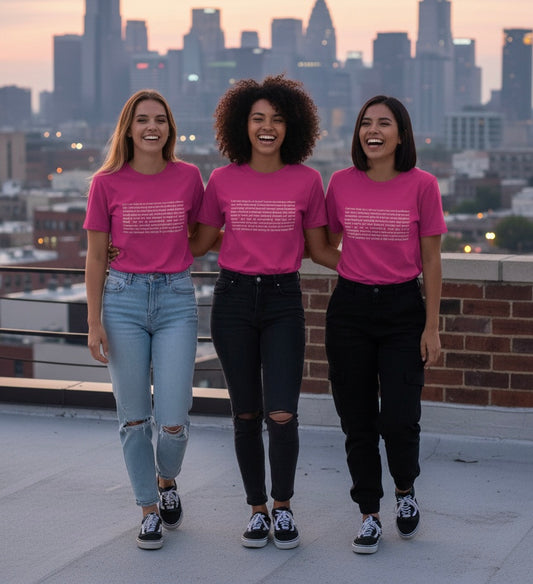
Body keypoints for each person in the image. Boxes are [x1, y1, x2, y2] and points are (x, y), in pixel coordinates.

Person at [188, 75, 339, 550]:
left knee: (282, 412)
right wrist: (121, 245)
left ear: (292, 126)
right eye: (258, 118)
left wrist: (394, 259)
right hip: (231, 300)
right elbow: (197, 245)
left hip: (282, 302)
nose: (267, 126)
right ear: (242, 125)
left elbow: (320, 249)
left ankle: (284, 508)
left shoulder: (308, 180)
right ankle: (256, 510)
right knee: (246, 413)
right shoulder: (223, 179)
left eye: (276, 118)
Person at [324, 95, 447, 554]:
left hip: (402, 311)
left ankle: (405, 491)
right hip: (350, 311)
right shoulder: (339, 183)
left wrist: (431, 326)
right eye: (365, 124)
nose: (372, 130)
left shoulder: (423, 185)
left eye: (384, 123)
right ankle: (369, 514)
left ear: (401, 134)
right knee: (356, 420)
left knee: (399, 417)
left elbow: (432, 261)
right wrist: (355, 266)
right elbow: (327, 242)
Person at [84, 89, 204, 550]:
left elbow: (202, 234)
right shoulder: (106, 183)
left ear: (170, 128)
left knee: (173, 419)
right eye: (142, 120)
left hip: (175, 299)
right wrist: (94, 322)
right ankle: (149, 509)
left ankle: (166, 479)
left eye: (160, 119)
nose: (151, 127)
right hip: (122, 302)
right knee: (134, 419)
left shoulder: (189, 176)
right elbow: (96, 258)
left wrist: (169, 255)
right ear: (128, 129)